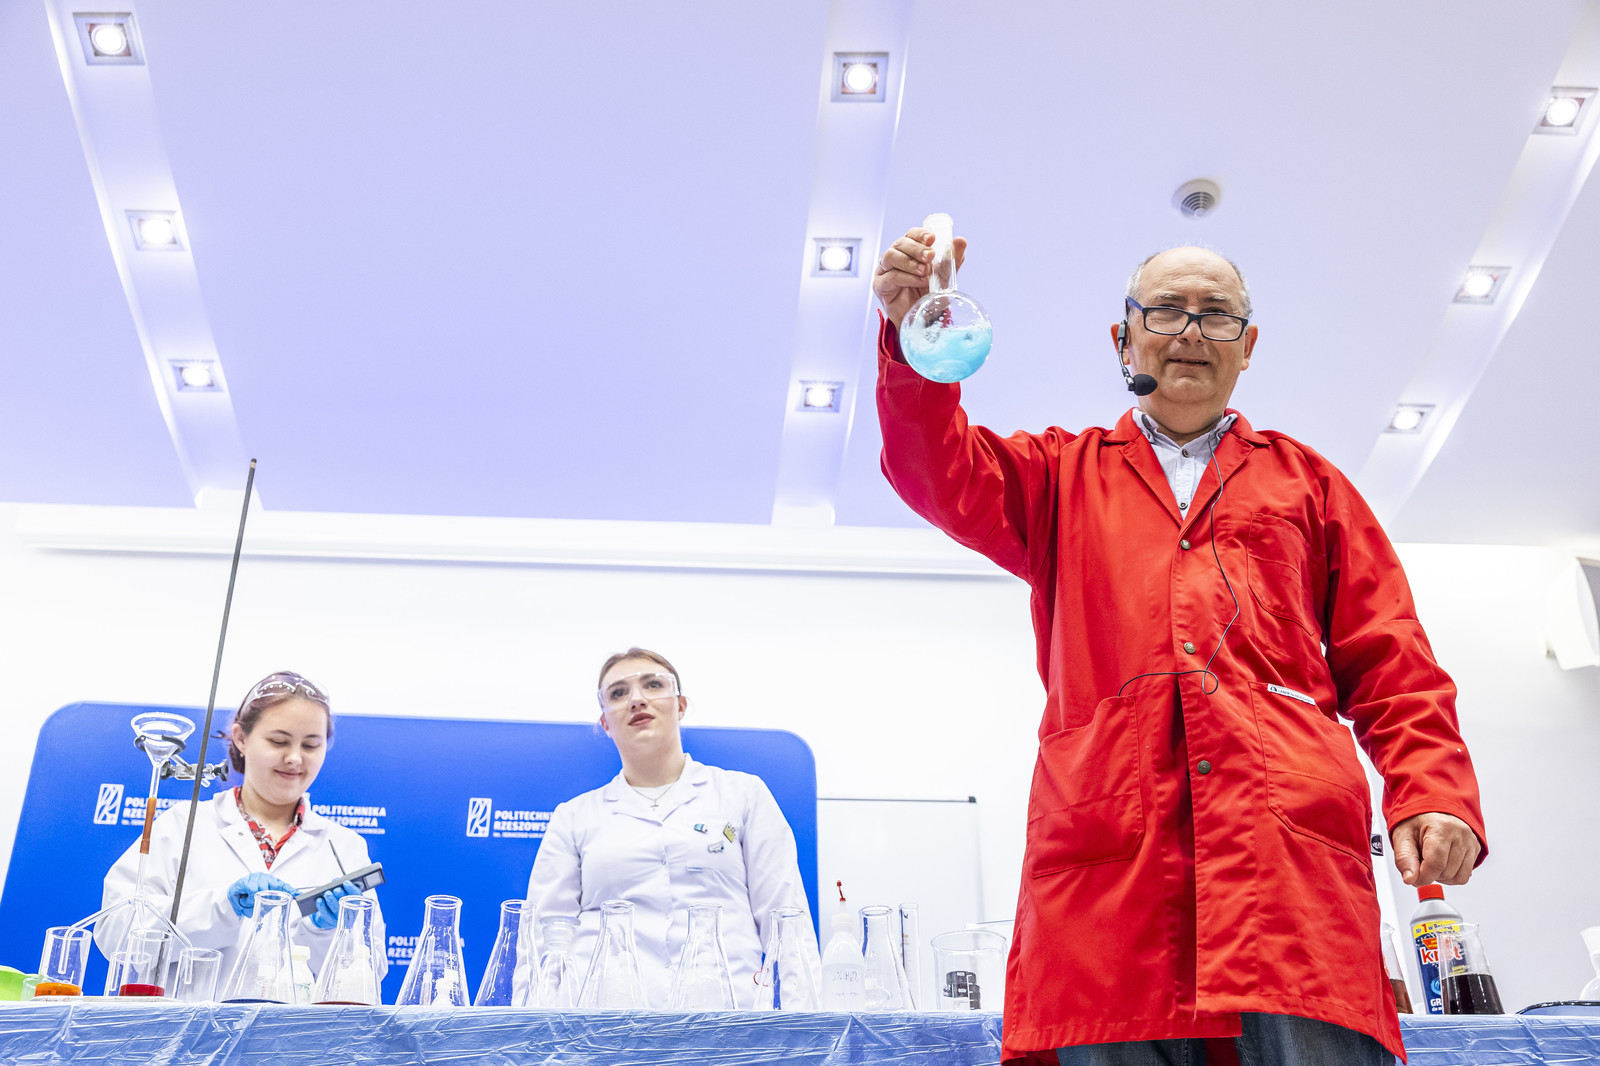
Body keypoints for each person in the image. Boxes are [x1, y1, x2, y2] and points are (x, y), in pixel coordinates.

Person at [871, 235, 1486, 1064]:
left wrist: (1431, 790)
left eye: (1216, 314)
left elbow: (1391, 658)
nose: (1191, 331)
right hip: (1113, 885)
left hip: (1287, 874)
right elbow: (933, 469)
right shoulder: (1057, 477)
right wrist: (914, 337)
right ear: (1122, 339)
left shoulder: (1311, 486)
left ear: (1248, 345)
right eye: (1165, 311)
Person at [527, 647, 814, 1008]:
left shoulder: (743, 794)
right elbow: (542, 941)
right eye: (618, 693)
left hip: (730, 1021)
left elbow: (787, 923)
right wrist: (527, 1032)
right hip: (604, 1026)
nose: (636, 699)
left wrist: (806, 1026)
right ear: (605, 723)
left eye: (653, 684)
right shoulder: (574, 816)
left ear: (680, 705)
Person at [99, 672, 386, 989]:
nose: (294, 758)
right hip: (192, 1022)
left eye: (311, 745)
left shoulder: (344, 846)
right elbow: (115, 934)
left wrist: (326, 931)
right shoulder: (183, 826)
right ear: (241, 738)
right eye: (278, 741)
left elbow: (370, 976)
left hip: (296, 1024)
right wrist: (222, 908)